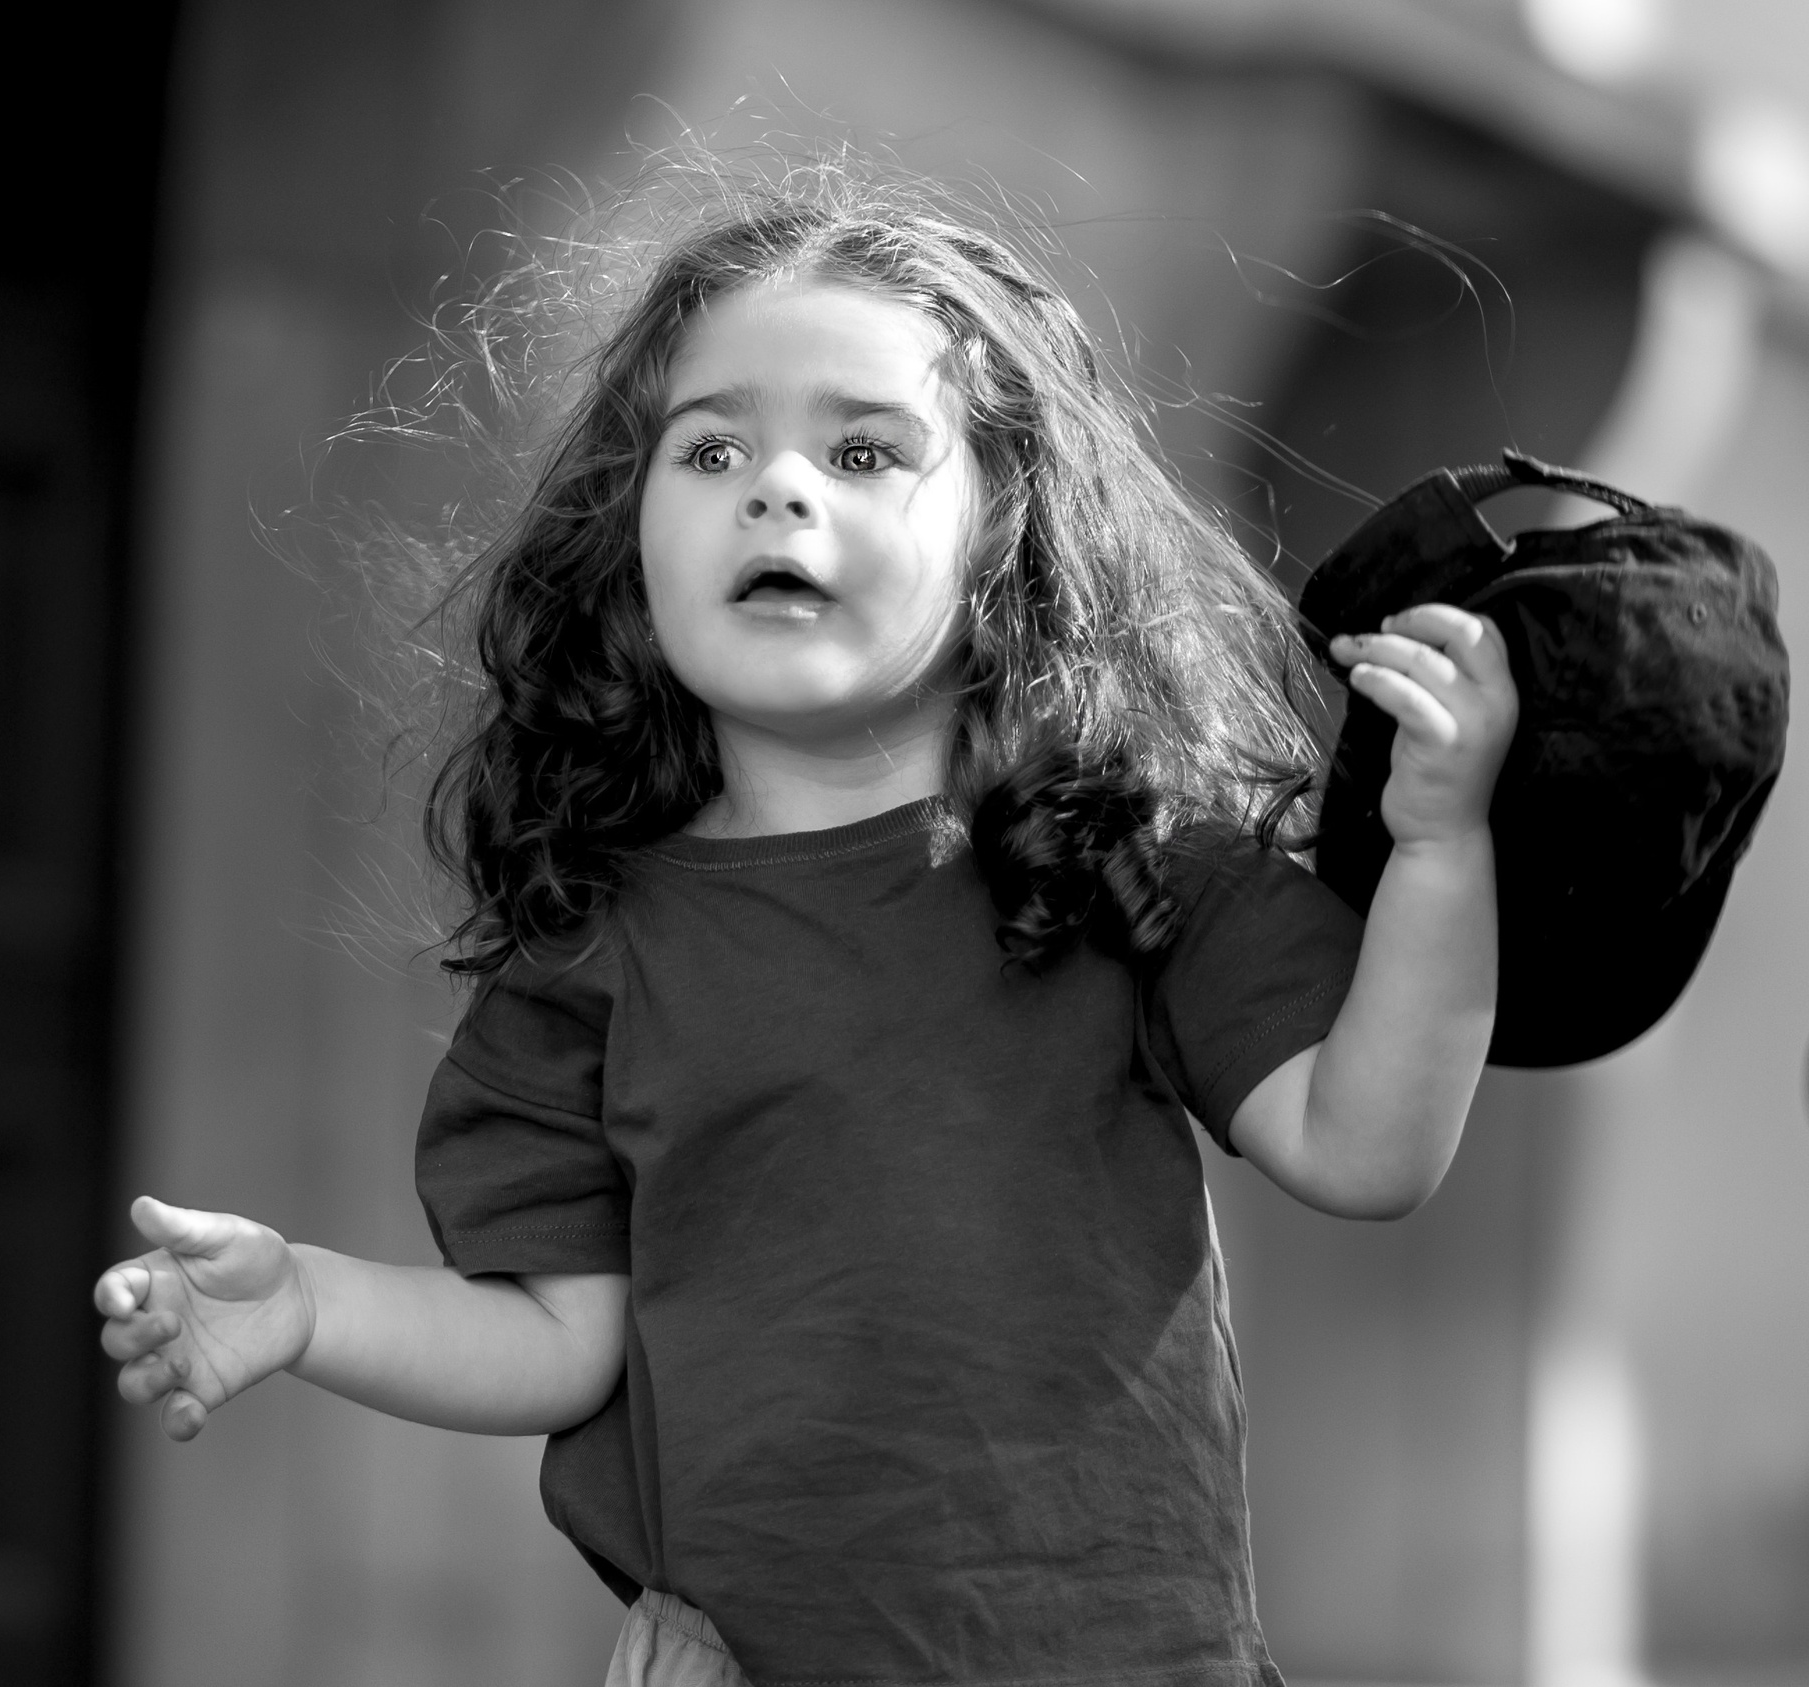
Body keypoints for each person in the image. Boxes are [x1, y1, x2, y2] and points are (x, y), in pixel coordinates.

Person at [95, 168, 1517, 1687]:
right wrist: (313, 1302)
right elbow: (563, 1342)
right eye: (713, 448)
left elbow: (1370, 1152)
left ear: (1002, 533)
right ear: (630, 541)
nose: (778, 488)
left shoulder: (1120, 865)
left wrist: (1439, 852)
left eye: (861, 449)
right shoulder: (594, 944)